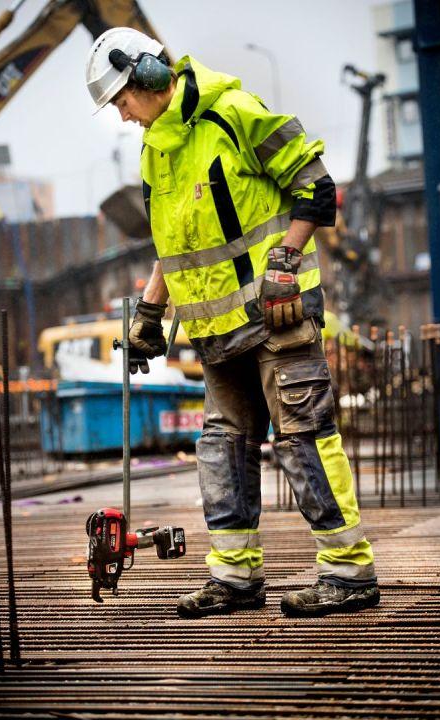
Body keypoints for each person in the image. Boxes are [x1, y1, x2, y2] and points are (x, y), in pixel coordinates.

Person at [86, 27, 380, 618]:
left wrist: (286, 262)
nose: (123, 116)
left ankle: (349, 574)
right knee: (222, 451)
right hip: (217, 335)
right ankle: (235, 577)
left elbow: (317, 189)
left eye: (122, 100)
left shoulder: (234, 114)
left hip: (278, 320)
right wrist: (149, 311)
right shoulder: (155, 152)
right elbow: (173, 245)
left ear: (146, 76)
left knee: (303, 442)